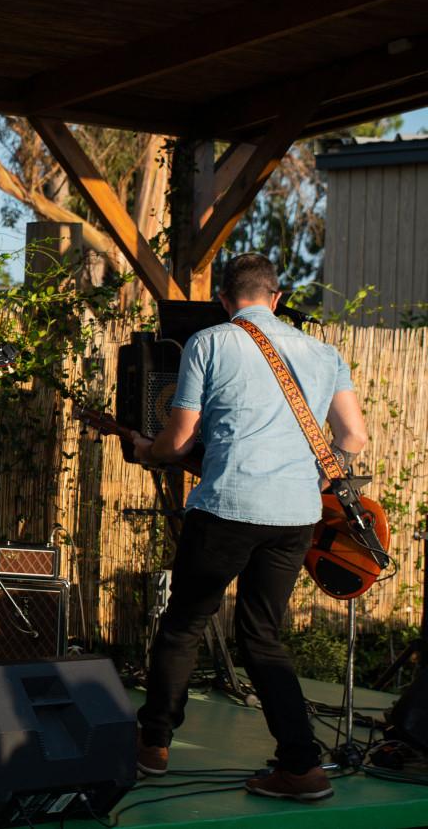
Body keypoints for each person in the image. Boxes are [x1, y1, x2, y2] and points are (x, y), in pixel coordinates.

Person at [131, 253, 368, 801]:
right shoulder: (323, 352)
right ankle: (300, 766)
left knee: (185, 622)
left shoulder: (210, 342)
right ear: (277, 297)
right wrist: (303, 479)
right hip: (294, 514)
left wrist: (151, 451)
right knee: (262, 636)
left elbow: (180, 437)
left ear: (223, 300)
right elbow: (353, 437)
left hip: (228, 506)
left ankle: (154, 746)